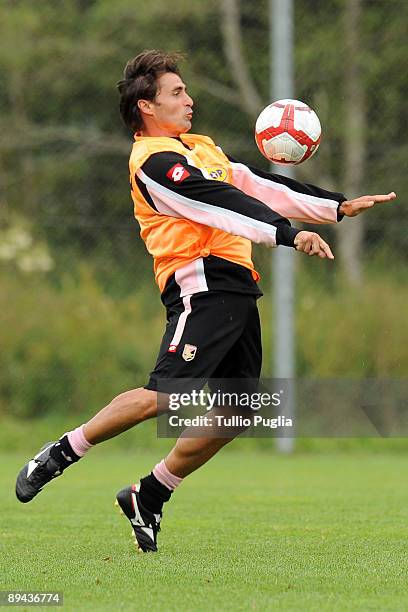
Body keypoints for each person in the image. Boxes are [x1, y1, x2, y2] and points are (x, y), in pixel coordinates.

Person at [15, 50, 396, 553]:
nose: (189, 99)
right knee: (167, 395)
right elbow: (216, 202)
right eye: (176, 93)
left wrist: (335, 206)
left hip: (236, 285)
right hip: (201, 283)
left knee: (238, 409)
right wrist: (288, 235)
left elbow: (257, 187)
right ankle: (63, 452)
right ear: (148, 107)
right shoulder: (153, 162)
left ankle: (149, 493)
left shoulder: (200, 148)